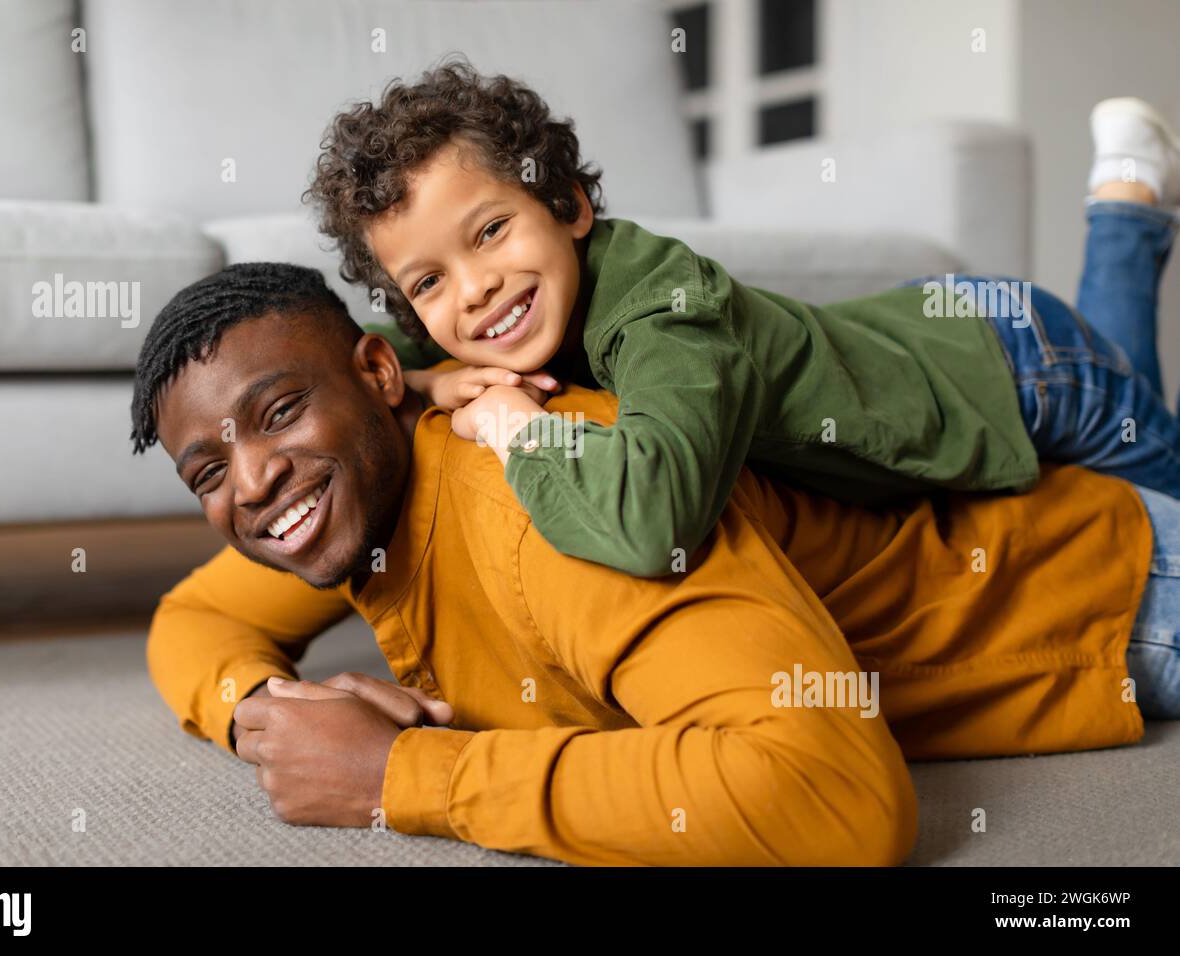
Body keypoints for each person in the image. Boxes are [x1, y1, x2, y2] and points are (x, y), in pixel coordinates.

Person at [129, 262, 1176, 867]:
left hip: (1120, 590)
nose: (252, 480)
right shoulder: (335, 502)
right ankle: (1122, 238)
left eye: (277, 412)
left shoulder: (552, 504)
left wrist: (399, 774)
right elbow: (189, 621)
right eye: (205, 470)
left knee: (1110, 396)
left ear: (378, 375)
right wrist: (266, 711)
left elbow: (835, 796)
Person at [304, 59, 1180, 579]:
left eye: (491, 231)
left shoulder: (664, 313)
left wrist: (513, 423)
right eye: (428, 281)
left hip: (1018, 366)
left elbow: (654, 523)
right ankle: (1128, 203)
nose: (476, 291)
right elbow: (375, 357)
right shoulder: (480, 309)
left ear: (569, 205)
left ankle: (1127, 212)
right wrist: (424, 376)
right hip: (927, 326)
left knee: (1158, 489)